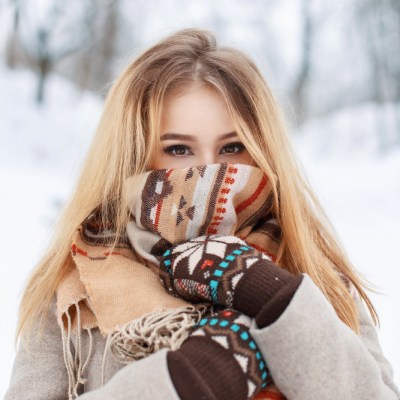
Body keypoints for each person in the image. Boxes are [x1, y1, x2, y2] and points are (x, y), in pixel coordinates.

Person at [4, 28, 399, 400]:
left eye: (232, 148)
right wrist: (191, 379)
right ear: (134, 154)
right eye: (178, 149)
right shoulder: (77, 291)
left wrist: (271, 294)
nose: (212, 171)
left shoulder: (314, 272)